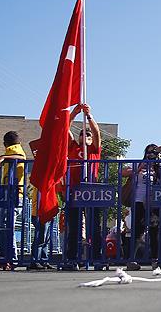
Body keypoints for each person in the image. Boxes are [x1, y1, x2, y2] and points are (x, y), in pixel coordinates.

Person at [62, 104, 103, 271]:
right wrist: (74, 113)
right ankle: (72, 259)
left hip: (92, 192)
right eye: (82, 133)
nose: (85, 135)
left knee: (95, 227)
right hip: (74, 191)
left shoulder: (94, 149)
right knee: (74, 227)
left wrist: (89, 116)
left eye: (87, 134)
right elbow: (65, 129)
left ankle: (96, 259)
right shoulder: (73, 147)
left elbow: (97, 133)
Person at [0, 131, 26, 270]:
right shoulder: (12, 151)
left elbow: (21, 157)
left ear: (5, 144)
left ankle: (9, 258)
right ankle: (4, 256)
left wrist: (3, 157)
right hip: (8, 192)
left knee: (8, 225)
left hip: (13, 193)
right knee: (2, 225)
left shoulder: (14, 150)